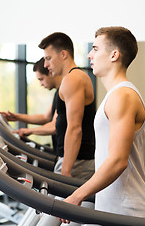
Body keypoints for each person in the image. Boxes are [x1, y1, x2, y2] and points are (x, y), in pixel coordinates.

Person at [59, 26, 145, 223]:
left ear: (114, 55)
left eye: (95, 48)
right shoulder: (115, 95)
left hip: (126, 209)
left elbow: (118, 160)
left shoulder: (122, 96)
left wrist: (76, 196)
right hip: (114, 205)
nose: (89, 55)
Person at [39, 32, 95, 180]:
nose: (45, 65)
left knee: (59, 203)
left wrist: (66, 171)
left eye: (48, 58)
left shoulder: (73, 79)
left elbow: (75, 128)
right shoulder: (72, 79)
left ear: (63, 54)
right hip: (74, 161)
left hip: (76, 163)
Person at [0, 57, 62, 152]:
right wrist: (16, 117)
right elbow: (46, 117)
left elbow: (54, 126)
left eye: (41, 79)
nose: (41, 84)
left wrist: (30, 131)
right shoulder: (58, 93)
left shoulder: (64, 92)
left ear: (50, 72)